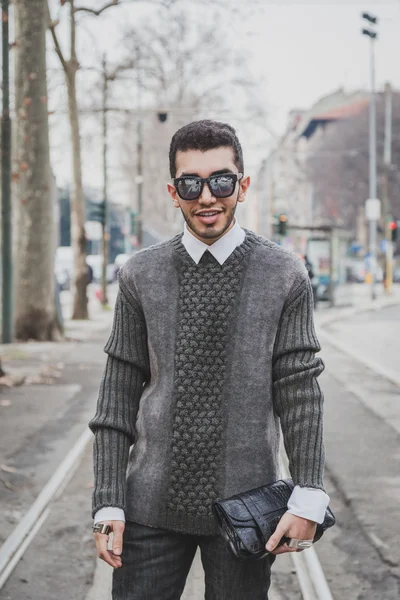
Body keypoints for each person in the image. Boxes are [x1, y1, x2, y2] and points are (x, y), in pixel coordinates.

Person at [89, 120, 329, 600]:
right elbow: (117, 394)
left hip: (247, 511)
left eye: (221, 180)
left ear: (242, 186)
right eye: (190, 183)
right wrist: (108, 502)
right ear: (173, 192)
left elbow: (300, 389)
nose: (206, 196)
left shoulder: (285, 273)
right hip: (148, 509)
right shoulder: (139, 275)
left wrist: (309, 493)